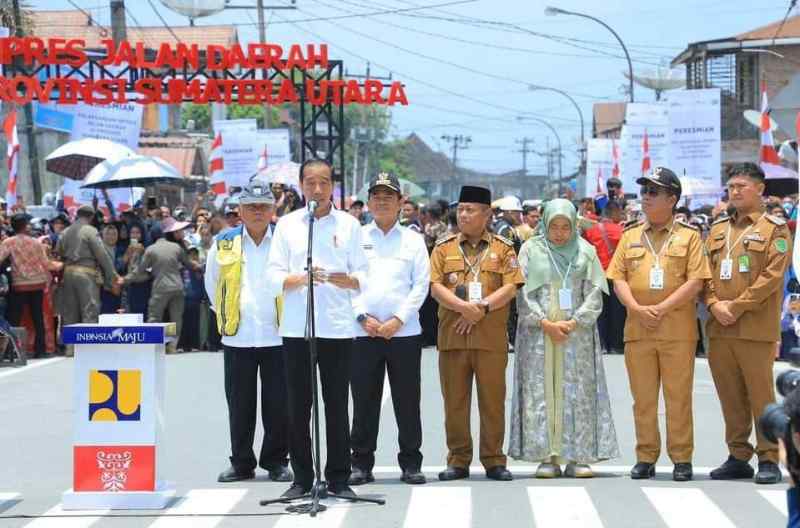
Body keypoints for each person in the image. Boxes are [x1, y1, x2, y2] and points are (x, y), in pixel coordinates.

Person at [267, 159, 369, 500]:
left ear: (332, 186)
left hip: (337, 327)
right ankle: (302, 478)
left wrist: (348, 279)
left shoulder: (351, 225)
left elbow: (365, 275)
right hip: (298, 328)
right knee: (298, 406)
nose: (318, 189)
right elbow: (273, 275)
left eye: (324, 182)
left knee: (337, 404)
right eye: (310, 182)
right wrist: (301, 278)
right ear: (300, 185)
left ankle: (339, 477)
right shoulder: (287, 225)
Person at [606, 166, 711, 482]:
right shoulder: (630, 235)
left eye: (653, 192)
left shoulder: (689, 237)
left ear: (672, 199)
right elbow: (618, 277)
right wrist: (636, 308)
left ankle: (681, 458)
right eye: (644, 192)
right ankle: (645, 456)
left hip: (676, 331)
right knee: (643, 399)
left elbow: (696, 282)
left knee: (678, 398)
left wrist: (662, 308)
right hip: (638, 330)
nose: (646, 198)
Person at [510, 199, 619, 477]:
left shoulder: (586, 251)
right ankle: (547, 456)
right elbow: (522, 292)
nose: (559, 233)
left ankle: (577, 456)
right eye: (554, 226)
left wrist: (576, 321)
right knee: (542, 391)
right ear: (544, 224)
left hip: (577, 335)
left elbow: (595, 292)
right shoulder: (530, 251)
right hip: (538, 334)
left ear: (574, 225)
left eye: (565, 227)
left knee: (577, 391)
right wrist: (543, 322)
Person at [704, 162, 792, 485]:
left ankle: (768, 457)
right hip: (720, 327)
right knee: (730, 395)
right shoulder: (717, 230)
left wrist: (737, 307)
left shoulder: (774, 229)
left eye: (742, 185)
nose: (735, 191)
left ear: (760, 190)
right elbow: (704, 275)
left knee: (761, 396)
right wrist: (714, 304)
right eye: (731, 186)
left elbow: (772, 277)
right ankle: (738, 455)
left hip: (754, 328)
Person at [430, 185, 524, 482]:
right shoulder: (443, 247)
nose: (463, 215)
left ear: (486, 214)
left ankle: (494, 459)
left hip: (490, 339)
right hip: (453, 337)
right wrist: (463, 308)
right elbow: (434, 286)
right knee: (455, 402)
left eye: (470, 210)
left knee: (492, 400)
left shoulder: (502, 248)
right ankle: (458, 459)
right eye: (460, 210)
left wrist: (480, 308)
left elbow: (512, 286)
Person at [205, 182, 292, 484]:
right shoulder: (224, 243)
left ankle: (277, 461)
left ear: (273, 210)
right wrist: (230, 315)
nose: (257, 211)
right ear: (239, 211)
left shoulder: (284, 241)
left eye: (263, 206)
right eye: (251, 206)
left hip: (278, 336)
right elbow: (212, 285)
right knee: (240, 404)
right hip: (238, 336)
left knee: (279, 404)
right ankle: (241, 462)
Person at [349, 174, 430, 486]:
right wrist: (360, 316)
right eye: (376, 195)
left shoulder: (412, 239)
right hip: (364, 333)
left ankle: (411, 462)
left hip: (403, 334)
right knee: (364, 400)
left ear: (401, 203)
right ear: (369, 202)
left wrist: (398, 319)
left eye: (389, 196)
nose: (382, 201)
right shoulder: (356, 237)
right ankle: (360, 463)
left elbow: (421, 284)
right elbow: (348, 281)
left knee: (407, 400)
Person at [125, 217, 197, 353]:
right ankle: (172, 346)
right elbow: (188, 264)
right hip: (178, 287)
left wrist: (125, 279)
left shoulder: (151, 250)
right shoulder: (176, 247)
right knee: (175, 318)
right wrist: (199, 268)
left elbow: (139, 270)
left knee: (154, 316)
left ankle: (154, 346)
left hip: (161, 287)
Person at [57, 205, 121, 356]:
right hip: (86, 274)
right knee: (89, 310)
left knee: (70, 312)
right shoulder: (90, 231)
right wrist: (113, 275)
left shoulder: (65, 232)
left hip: (68, 273)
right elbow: (102, 254)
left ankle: (70, 348)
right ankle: (88, 348)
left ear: (77, 215)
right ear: (91, 217)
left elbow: (59, 251)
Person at [0, 213, 57, 358]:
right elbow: (46, 264)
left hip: (19, 285)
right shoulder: (36, 243)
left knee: (15, 318)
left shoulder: (9, 242)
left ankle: (11, 351)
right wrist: (61, 264)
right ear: (25, 226)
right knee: (38, 317)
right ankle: (41, 350)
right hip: (38, 284)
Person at [583, 201, 626, 354]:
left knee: (599, 311)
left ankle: (601, 344)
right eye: (619, 212)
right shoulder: (619, 230)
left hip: (597, 275)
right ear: (613, 212)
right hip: (615, 275)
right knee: (617, 312)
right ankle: (616, 345)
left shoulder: (591, 230)